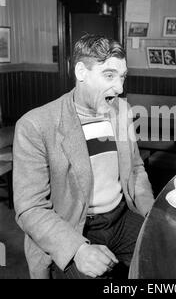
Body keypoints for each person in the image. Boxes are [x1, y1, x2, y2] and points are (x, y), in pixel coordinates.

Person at [13, 34, 154, 279]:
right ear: (81, 71)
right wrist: (77, 249)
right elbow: (30, 207)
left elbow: (135, 168)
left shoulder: (122, 111)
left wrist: (150, 212)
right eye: (109, 75)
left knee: (161, 259)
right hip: (72, 226)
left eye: (122, 77)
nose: (120, 88)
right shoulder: (35, 125)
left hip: (121, 217)